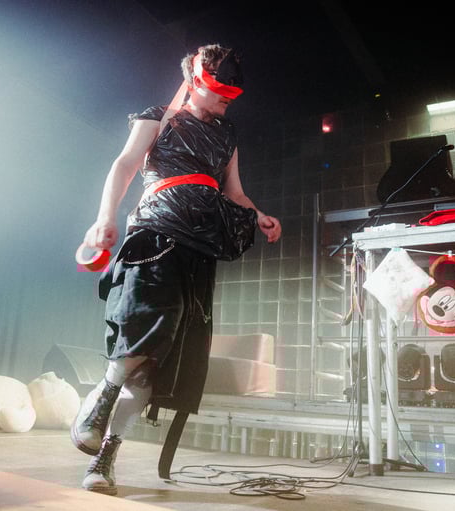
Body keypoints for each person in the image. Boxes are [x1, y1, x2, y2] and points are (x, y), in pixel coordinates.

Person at [71, 43, 281, 496]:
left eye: (234, 93)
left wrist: (259, 215)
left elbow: (235, 193)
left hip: (202, 245)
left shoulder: (227, 136)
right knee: (146, 329)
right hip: (156, 233)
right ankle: (103, 396)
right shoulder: (159, 118)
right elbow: (125, 164)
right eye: (221, 90)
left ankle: (105, 456)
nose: (228, 100)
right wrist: (104, 218)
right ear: (196, 81)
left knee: (161, 362)